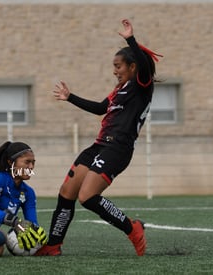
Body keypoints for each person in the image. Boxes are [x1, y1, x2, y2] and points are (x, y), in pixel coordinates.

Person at [35, 19, 162, 257]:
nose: (114, 71)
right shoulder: (119, 90)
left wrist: (130, 39)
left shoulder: (141, 85)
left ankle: (132, 228)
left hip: (118, 149)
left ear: (133, 67)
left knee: (87, 197)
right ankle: (53, 245)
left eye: (118, 66)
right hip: (99, 146)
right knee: (67, 192)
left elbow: (145, 64)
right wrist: (69, 97)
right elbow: (100, 108)